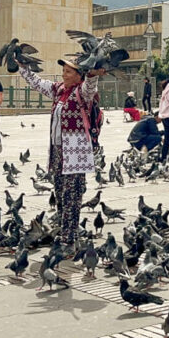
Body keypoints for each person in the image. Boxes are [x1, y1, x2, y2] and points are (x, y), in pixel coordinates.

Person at [18, 56, 104, 245]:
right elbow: (38, 83)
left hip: (75, 153)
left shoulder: (82, 93)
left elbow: (90, 86)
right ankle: (64, 231)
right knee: (59, 194)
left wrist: (93, 74)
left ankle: (69, 240)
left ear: (78, 75)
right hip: (58, 151)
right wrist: (23, 68)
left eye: (68, 71)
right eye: (63, 71)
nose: (64, 74)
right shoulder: (59, 90)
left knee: (72, 196)